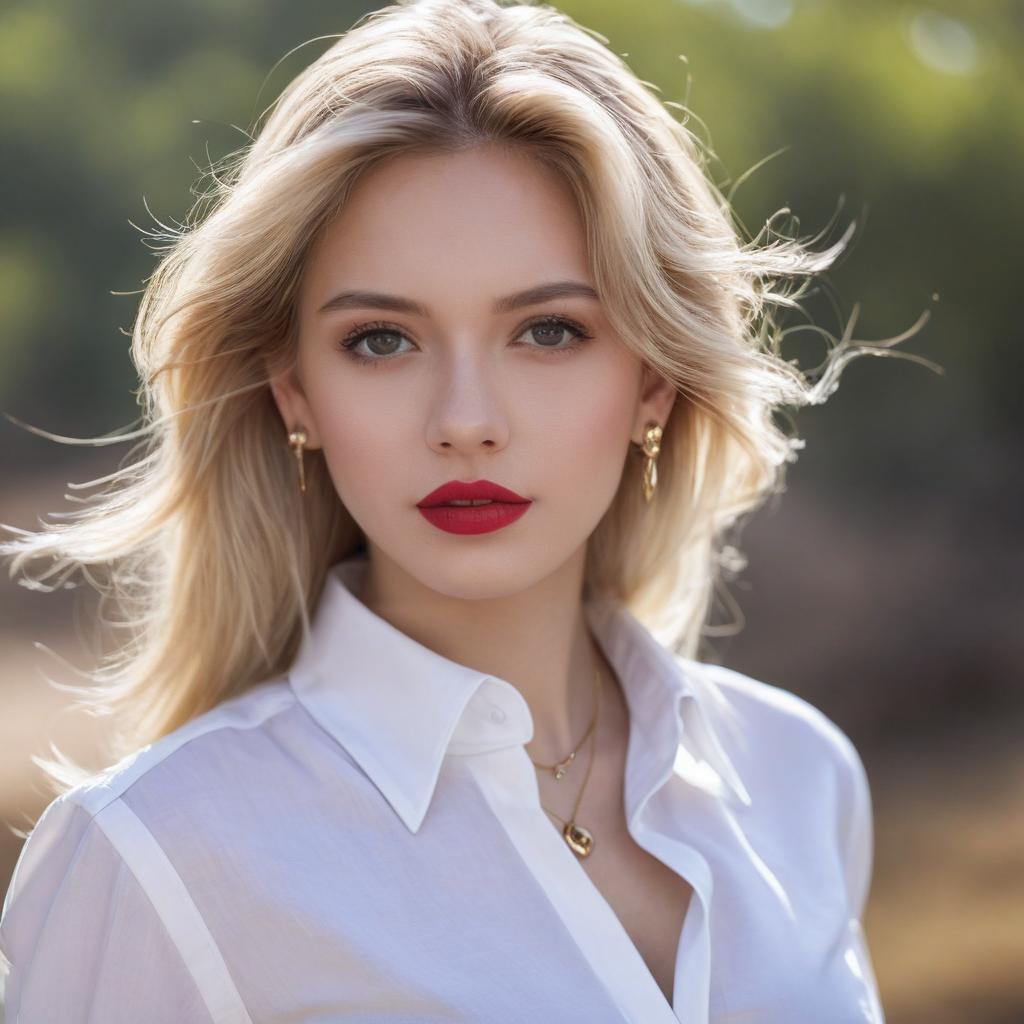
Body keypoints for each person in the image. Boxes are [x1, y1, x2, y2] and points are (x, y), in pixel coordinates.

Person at [0, 0, 920, 1019]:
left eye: (550, 332)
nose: (466, 422)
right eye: (382, 341)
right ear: (294, 390)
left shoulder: (797, 777)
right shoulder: (155, 858)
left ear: (654, 378)